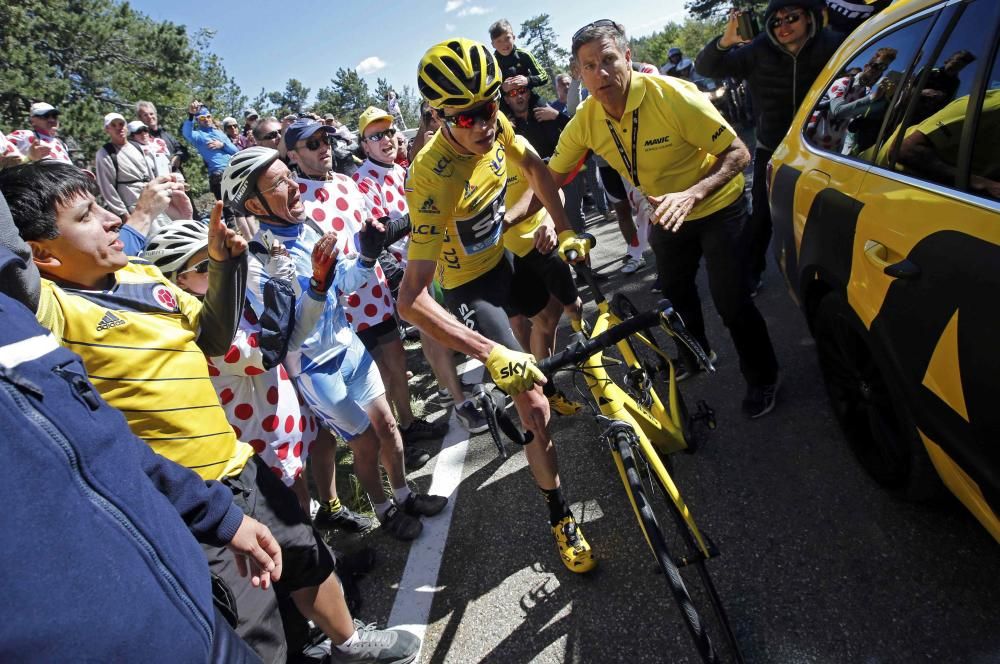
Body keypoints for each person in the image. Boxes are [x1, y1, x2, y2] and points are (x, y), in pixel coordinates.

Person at [0, 162, 419, 664]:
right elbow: (11, 265)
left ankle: (349, 645)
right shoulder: (49, 309)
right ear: (40, 254)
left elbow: (216, 337)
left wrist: (222, 266)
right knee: (252, 625)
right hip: (182, 495)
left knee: (307, 555)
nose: (113, 220)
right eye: (88, 215)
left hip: (237, 460)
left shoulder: (140, 275)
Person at [399, 38, 597, 574]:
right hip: (467, 290)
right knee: (532, 406)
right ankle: (559, 514)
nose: (484, 124)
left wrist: (567, 228)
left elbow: (537, 168)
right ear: (440, 116)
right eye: (467, 117)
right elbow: (410, 300)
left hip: (501, 260)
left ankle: (546, 379)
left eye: (489, 107)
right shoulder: (431, 177)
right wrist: (489, 354)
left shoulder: (493, 127)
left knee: (550, 318)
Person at [549, 20, 781, 418]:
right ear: (578, 73)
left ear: (627, 57)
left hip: (716, 204)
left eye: (608, 59)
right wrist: (516, 219)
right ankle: (695, 353)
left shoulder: (672, 96)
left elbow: (738, 153)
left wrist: (692, 193)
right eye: (588, 66)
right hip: (668, 214)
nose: (600, 73)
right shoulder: (587, 117)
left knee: (731, 300)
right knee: (674, 294)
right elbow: (550, 177)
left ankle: (763, 377)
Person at [222, 147, 449, 543]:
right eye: (279, 183)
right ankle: (384, 511)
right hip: (312, 366)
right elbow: (289, 335)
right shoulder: (256, 262)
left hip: (348, 344)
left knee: (390, 428)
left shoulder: (307, 225)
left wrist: (364, 257)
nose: (293, 185)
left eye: (289, 174)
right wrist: (319, 283)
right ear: (255, 203)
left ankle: (403, 495)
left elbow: (341, 283)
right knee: (365, 442)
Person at [285, 116, 444, 468]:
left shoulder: (345, 181)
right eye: (312, 145)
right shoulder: (294, 198)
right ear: (293, 155)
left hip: (373, 287)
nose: (323, 148)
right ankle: (393, 443)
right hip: (340, 306)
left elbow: (370, 230)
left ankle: (408, 422)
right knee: (373, 376)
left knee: (397, 358)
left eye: (325, 140)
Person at [353, 106, 488, 434]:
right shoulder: (362, 181)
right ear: (364, 145)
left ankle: (448, 387)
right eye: (376, 136)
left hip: (431, 258)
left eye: (388, 132)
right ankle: (460, 404)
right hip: (403, 271)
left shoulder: (400, 171)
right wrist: (427, 216)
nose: (386, 139)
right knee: (435, 332)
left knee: (441, 329)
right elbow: (381, 234)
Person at [696, 0, 844, 295]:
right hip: (774, 145)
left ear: (810, 17)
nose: (784, 27)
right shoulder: (758, 49)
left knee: (832, 209)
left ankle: (842, 271)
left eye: (792, 18)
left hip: (825, 145)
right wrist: (727, 41)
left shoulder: (834, 44)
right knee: (763, 213)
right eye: (776, 21)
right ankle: (752, 273)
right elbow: (706, 66)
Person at [182, 101, 239, 216]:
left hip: (233, 171)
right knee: (229, 212)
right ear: (198, 120)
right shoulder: (198, 135)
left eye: (208, 117)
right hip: (219, 175)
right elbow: (186, 133)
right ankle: (233, 232)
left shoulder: (219, 133)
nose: (206, 119)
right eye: (202, 118)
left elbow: (236, 151)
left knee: (242, 210)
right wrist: (190, 115)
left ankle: (248, 234)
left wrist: (222, 145)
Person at [94, 112, 154, 220]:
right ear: (107, 129)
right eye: (114, 125)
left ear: (126, 126)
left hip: (152, 200)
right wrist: (123, 214)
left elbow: (149, 174)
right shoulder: (105, 154)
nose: (119, 128)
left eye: (121, 124)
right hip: (133, 205)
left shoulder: (136, 146)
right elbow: (107, 187)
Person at [489, 19, 550, 96]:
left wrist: (528, 80)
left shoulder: (524, 55)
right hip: (505, 103)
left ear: (513, 38)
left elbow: (544, 76)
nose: (504, 44)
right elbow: (487, 90)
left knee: (546, 108)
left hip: (528, 97)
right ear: (493, 44)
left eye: (507, 38)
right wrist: (502, 88)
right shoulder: (491, 63)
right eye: (499, 41)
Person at [8, 102, 72, 164]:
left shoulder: (61, 144)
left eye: (54, 116)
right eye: (45, 116)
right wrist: (29, 158)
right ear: (33, 120)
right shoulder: (23, 135)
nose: (51, 120)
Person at [136, 100, 188, 173]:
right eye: (145, 115)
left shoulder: (166, 135)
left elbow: (183, 151)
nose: (149, 117)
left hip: (175, 178)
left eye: (151, 114)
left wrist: (178, 157)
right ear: (140, 118)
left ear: (155, 115)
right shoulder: (139, 138)